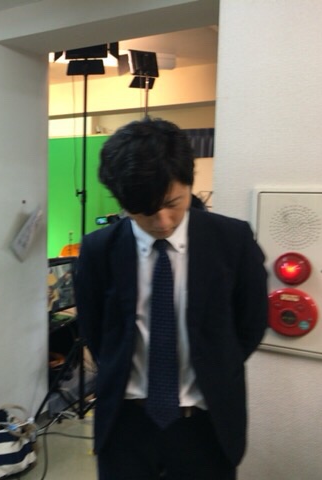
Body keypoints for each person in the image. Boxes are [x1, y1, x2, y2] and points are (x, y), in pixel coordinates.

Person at [75, 117, 268, 480]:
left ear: (188, 183)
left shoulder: (232, 241)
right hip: (125, 424)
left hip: (206, 425)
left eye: (172, 203)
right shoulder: (99, 249)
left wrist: (215, 364)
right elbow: (96, 331)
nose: (162, 221)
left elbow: (251, 323)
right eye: (143, 212)